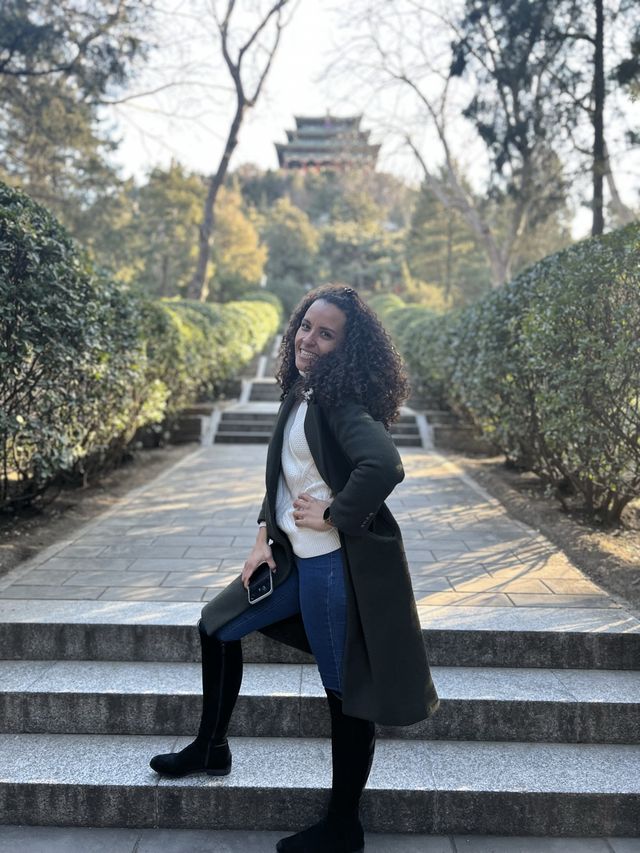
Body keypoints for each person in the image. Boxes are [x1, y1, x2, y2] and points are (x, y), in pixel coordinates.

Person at [149, 284, 439, 853]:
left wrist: (335, 512)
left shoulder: (340, 403)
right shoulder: (301, 391)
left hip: (331, 566)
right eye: (307, 326)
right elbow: (281, 478)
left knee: (343, 688)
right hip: (287, 559)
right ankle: (211, 748)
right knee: (216, 625)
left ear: (346, 350)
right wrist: (263, 534)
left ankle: (343, 825)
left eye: (326, 334)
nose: (309, 339)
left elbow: (384, 464)